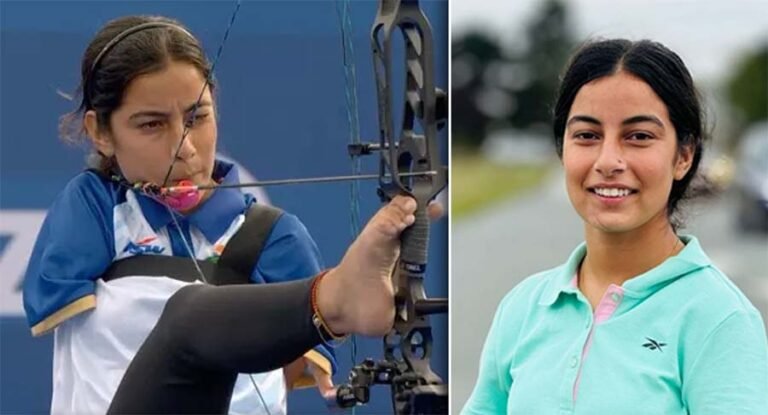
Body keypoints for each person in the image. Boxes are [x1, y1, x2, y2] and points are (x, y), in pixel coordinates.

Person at [21, 14, 438, 414]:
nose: (183, 147)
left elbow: (294, 369)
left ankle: (340, 296)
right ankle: (337, 296)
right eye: (151, 125)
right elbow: (55, 305)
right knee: (187, 316)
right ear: (100, 133)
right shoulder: (93, 209)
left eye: (196, 117)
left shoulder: (274, 235)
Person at [462, 39, 768, 414]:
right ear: (563, 150)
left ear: (683, 156)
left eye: (638, 136)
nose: (608, 160)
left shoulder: (721, 320)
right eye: (587, 136)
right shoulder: (523, 306)